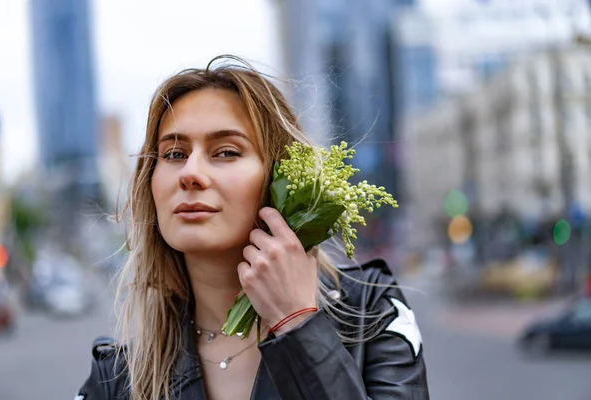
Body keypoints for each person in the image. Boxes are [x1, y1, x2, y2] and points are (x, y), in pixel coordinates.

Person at [76, 55, 429, 400]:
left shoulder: (371, 312)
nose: (190, 174)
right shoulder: (118, 379)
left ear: (284, 176)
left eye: (226, 152)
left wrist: (297, 324)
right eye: (173, 154)